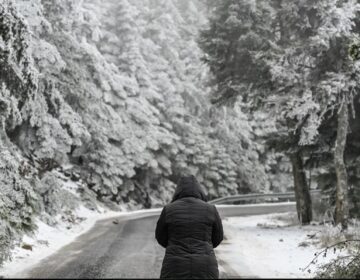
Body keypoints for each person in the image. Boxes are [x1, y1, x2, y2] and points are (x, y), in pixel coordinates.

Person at [155, 175, 224, 279]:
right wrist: (205, 246)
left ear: (178, 191)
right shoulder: (210, 209)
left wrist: (174, 245)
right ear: (199, 190)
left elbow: (160, 236)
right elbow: (218, 237)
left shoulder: (169, 209)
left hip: (175, 265)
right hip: (205, 265)